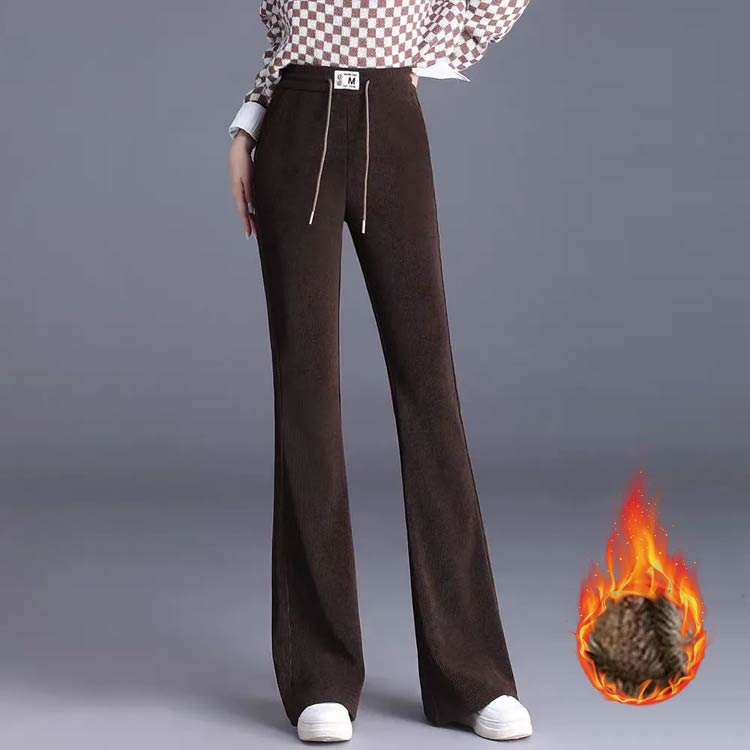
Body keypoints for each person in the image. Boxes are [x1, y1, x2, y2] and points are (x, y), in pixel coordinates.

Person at [227, 1, 533, 742]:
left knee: (431, 392)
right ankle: (320, 677)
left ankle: (471, 676)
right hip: (296, 123)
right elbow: (286, 31)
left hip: (392, 123)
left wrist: (426, 53)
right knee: (307, 397)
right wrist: (249, 121)